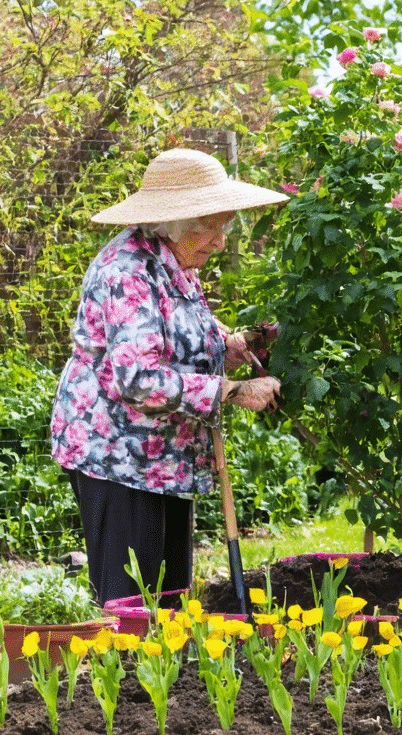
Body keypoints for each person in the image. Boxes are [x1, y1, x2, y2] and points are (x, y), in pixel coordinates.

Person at [50, 148, 286, 606]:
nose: (220, 241)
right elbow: (138, 378)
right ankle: (124, 677)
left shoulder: (174, 261)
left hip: (166, 456)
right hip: (120, 456)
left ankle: (167, 678)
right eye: (212, 227)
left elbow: (174, 329)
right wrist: (233, 391)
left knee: (170, 596)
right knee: (131, 603)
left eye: (225, 225)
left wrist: (228, 342)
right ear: (174, 222)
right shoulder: (128, 271)